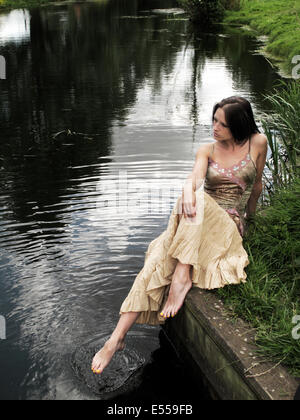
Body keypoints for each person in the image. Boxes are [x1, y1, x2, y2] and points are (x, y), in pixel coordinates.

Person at [91, 96, 268, 375]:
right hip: (195, 221)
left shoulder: (258, 143)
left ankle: (181, 274)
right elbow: (195, 177)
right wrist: (188, 189)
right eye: (213, 120)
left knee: (193, 206)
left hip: (228, 223)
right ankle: (117, 338)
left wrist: (252, 219)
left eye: (222, 123)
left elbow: (256, 186)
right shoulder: (207, 150)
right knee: (158, 259)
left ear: (239, 126)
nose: (215, 127)